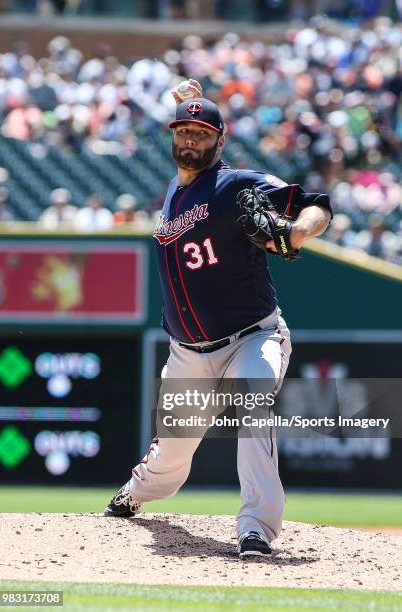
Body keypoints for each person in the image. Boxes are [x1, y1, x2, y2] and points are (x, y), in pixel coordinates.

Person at [104, 82, 332, 558]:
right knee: (171, 456)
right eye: (184, 131)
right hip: (188, 352)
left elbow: (317, 204)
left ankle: (256, 529)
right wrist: (189, 100)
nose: (191, 140)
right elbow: (191, 128)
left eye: (202, 134)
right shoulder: (175, 189)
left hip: (252, 337)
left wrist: (295, 232)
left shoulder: (236, 184)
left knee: (252, 406)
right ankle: (136, 492)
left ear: (221, 141)